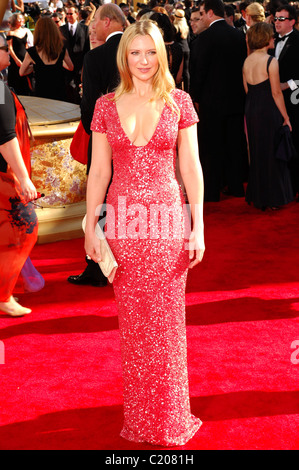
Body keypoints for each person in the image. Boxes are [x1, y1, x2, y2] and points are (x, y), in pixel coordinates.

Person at [85, 19, 205, 446]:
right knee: (134, 326)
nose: (142, 60)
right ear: (124, 57)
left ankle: (170, 418)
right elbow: (98, 171)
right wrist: (91, 226)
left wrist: (199, 227)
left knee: (168, 325)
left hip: (167, 224)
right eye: (134, 52)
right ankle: (140, 419)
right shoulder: (104, 106)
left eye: (150, 52)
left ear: (162, 55)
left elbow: (191, 168)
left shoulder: (179, 103)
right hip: (123, 224)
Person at [67, 3, 126, 287]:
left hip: (104, 142)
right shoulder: (141, 52)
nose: (91, 31)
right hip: (139, 144)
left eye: (93, 25)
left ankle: (98, 268)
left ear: (107, 22)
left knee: (101, 202)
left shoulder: (96, 57)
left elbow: (90, 110)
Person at [190, 0, 248, 202]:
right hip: (236, 100)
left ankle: (212, 191)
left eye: (202, 13)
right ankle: (236, 187)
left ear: (210, 13)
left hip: (210, 103)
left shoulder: (203, 40)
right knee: (234, 144)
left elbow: (198, 73)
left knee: (211, 148)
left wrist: (195, 98)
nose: (201, 18)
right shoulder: (239, 36)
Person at [0, 35, 38, 317]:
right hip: (4, 180)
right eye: (5, 48)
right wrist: (24, 178)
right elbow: (6, 136)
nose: (10, 51)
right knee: (25, 227)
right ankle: (4, 295)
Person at [243, 22, 294, 210]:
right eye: (271, 36)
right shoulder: (271, 61)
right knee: (272, 153)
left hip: (251, 108)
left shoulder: (246, 61)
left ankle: (260, 198)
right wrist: (286, 117)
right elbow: (275, 93)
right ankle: (272, 198)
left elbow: (248, 89)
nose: (274, 38)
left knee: (257, 152)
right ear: (265, 39)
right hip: (268, 110)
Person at [272, 4, 299, 198]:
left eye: (282, 18)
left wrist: (288, 85)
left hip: (295, 102)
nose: (277, 22)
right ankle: (285, 188)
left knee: (296, 143)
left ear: (292, 22)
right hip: (276, 102)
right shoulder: (271, 42)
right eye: (275, 18)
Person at [19, 16, 74, 101]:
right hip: (60, 94)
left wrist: (35, 67)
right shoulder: (61, 49)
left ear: (38, 32)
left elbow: (22, 72)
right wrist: (59, 63)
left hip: (41, 95)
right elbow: (71, 67)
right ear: (54, 31)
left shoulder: (31, 52)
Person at [60, 3, 90, 103]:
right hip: (66, 68)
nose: (69, 16)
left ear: (76, 14)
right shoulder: (61, 29)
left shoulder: (85, 29)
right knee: (68, 92)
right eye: (67, 14)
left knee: (79, 94)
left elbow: (87, 50)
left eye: (71, 14)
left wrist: (84, 68)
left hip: (80, 67)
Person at [150, 12, 184, 86]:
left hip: (156, 90)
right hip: (173, 89)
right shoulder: (178, 47)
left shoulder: (153, 48)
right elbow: (178, 78)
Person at [6, 13, 31, 95]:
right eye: (18, 19)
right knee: (15, 81)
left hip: (25, 59)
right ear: (14, 21)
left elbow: (26, 46)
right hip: (14, 61)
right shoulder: (10, 33)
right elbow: (10, 48)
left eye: (22, 18)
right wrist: (16, 60)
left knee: (26, 81)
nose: (21, 20)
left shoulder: (25, 31)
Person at [172, 9, 190, 91]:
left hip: (179, 50)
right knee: (186, 71)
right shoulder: (186, 27)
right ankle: (187, 89)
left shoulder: (175, 27)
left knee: (177, 71)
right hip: (187, 49)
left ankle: (177, 88)